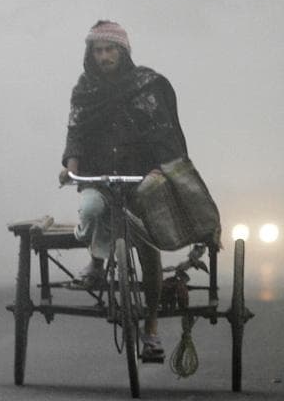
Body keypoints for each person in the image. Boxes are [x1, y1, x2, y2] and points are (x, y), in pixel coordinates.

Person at [58, 20, 189, 363]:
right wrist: (71, 168)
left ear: (124, 51)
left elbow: (164, 130)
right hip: (98, 178)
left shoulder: (146, 85)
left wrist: (165, 167)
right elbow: (76, 133)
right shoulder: (85, 90)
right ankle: (97, 261)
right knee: (89, 210)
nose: (104, 57)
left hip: (142, 181)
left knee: (148, 253)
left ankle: (152, 332)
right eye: (98, 51)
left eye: (110, 49)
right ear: (91, 55)